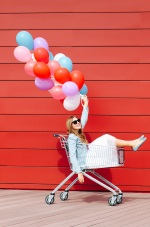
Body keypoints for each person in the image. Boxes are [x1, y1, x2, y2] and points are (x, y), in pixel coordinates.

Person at [66, 96, 147, 184]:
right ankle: (132, 143)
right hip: (86, 160)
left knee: (107, 138)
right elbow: (73, 156)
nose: (78, 122)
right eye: (75, 122)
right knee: (106, 138)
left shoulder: (78, 133)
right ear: (71, 126)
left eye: (77, 120)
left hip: (89, 156)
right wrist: (79, 172)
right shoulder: (72, 137)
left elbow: (84, 119)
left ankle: (133, 143)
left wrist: (85, 105)